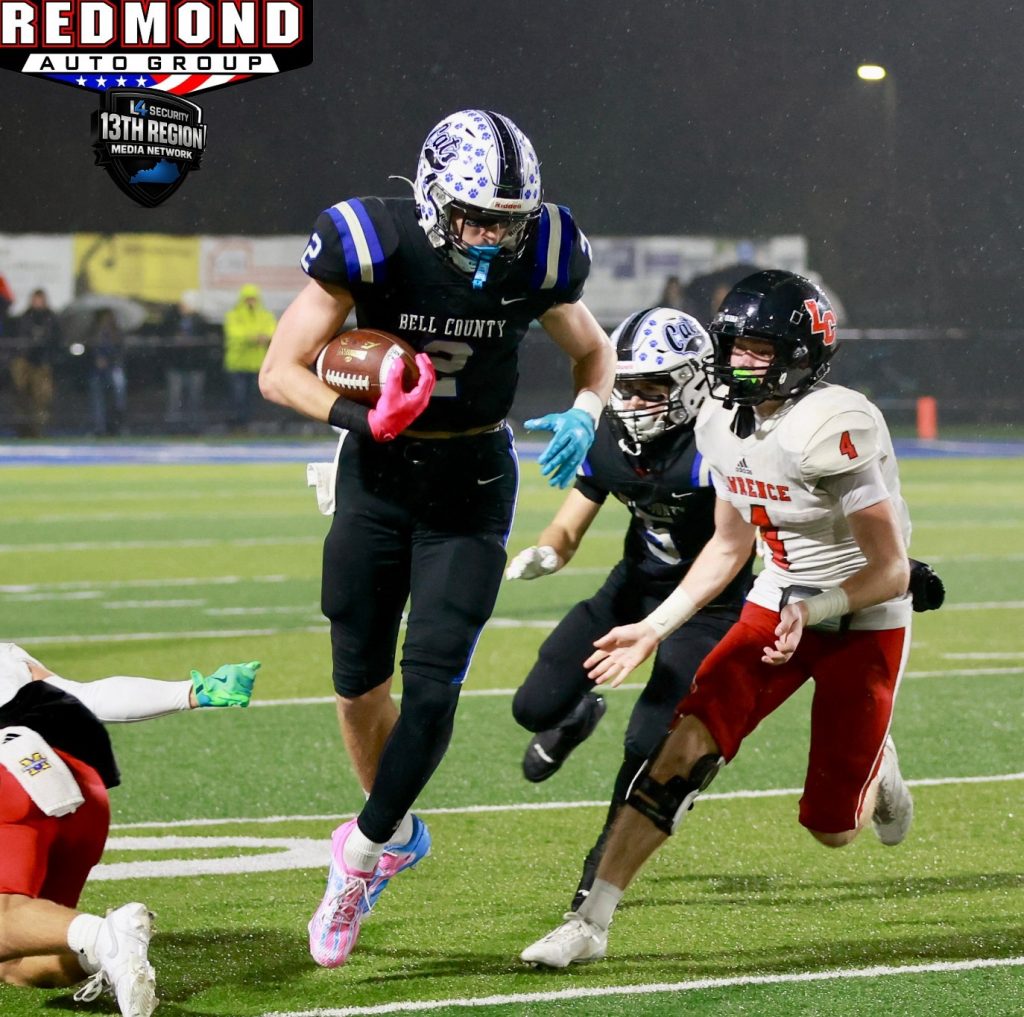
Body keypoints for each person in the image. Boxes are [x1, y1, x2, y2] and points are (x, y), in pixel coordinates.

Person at [259, 108, 615, 968]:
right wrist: (360, 416)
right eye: (476, 216)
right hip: (378, 475)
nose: (493, 236)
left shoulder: (545, 251)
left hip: (472, 482)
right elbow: (279, 370)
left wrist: (585, 409)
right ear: (430, 197)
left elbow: (594, 353)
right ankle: (397, 830)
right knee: (357, 684)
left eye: (507, 219)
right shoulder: (372, 242)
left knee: (432, 688)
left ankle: (359, 854)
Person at [520, 269, 931, 968]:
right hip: (776, 597)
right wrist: (654, 627)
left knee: (832, 828)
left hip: (860, 614)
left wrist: (817, 606)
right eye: (733, 344)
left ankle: (878, 766)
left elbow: (891, 570)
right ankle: (590, 921)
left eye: (758, 349)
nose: (739, 360)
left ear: (800, 354)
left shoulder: (835, 424)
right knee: (681, 750)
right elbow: (728, 545)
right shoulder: (716, 418)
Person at [508, 307, 753, 912]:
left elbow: (730, 548)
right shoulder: (610, 437)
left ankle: (603, 862)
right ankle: (575, 715)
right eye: (627, 384)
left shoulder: (722, 443)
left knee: (649, 742)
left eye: (653, 386)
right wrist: (546, 552)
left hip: (708, 606)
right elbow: (569, 526)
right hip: (632, 589)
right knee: (531, 707)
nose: (635, 401)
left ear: (694, 381)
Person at [0, 642, 259, 1016]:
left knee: (6, 919)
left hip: (12, 784)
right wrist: (189, 692)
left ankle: (107, 937)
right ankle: (109, 955)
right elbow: (90, 696)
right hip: (79, 788)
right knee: (17, 956)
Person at [10, 289, 62, 437]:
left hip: (42, 363)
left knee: (42, 398)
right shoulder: (25, 317)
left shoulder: (51, 318)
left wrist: (45, 348)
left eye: (40, 300)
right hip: (25, 360)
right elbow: (19, 339)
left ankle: (38, 430)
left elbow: (56, 339)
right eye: (35, 300)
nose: (37, 303)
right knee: (22, 395)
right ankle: (23, 429)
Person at [223, 284, 276, 430]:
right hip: (237, 363)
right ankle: (237, 423)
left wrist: (259, 337)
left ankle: (247, 423)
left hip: (256, 363)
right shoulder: (234, 315)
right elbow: (235, 334)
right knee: (237, 397)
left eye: (253, 299)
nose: (251, 302)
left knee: (251, 397)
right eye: (248, 299)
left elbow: (272, 331)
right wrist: (255, 337)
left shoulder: (264, 315)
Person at [162, 292, 211, 433]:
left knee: (195, 397)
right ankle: (173, 427)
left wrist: (193, 343)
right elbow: (165, 336)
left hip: (195, 365)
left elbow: (205, 341)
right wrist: (176, 340)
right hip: (176, 364)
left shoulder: (200, 321)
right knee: (174, 398)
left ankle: (194, 427)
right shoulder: (172, 319)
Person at [86, 308, 127, 436]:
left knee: (117, 400)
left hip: (113, 369)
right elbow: (88, 351)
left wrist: (108, 360)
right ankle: (100, 427)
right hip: (97, 371)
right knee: (98, 401)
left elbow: (120, 351)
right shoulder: (93, 334)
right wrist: (96, 359)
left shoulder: (116, 334)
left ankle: (116, 426)